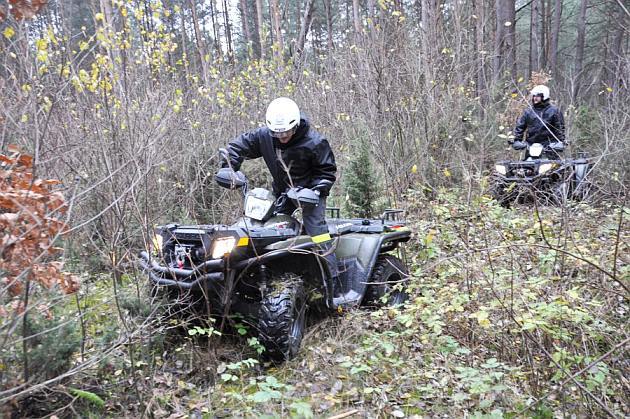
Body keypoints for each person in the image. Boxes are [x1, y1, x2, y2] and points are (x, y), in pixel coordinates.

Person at [221, 97, 341, 301]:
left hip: (310, 193)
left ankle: (333, 283)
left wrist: (317, 191)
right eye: (277, 133)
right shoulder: (264, 136)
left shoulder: (315, 142)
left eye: (286, 132)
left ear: (295, 126)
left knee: (317, 233)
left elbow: (327, 172)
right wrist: (228, 168)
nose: (282, 137)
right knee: (263, 227)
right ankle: (267, 274)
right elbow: (236, 147)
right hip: (282, 192)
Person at [512, 85, 566, 158]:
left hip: (549, 147)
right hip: (531, 146)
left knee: (550, 167)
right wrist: (517, 140)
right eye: (534, 96)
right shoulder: (528, 111)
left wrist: (560, 143)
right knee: (528, 167)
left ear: (544, 97)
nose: (535, 98)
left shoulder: (554, 111)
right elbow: (520, 126)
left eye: (538, 96)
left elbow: (559, 129)